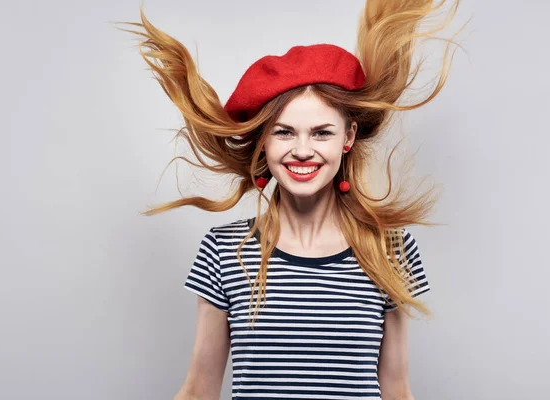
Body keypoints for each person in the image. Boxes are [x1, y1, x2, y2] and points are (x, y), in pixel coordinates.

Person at [120, 0, 464, 398]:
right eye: (284, 132)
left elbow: (396, 389)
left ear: (348, 138)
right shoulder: (223, 250)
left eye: (321, 133)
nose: (303, 150)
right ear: (263, 141)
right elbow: (199, 388)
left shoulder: (391, 249)